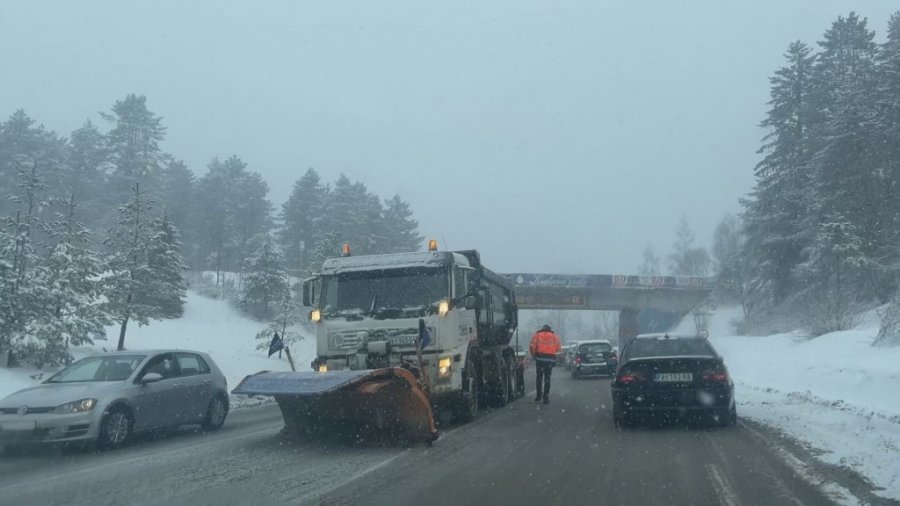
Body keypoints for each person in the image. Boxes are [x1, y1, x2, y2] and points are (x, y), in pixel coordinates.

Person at [529, 324, 562, 404]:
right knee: (547, 378)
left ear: (542, 329)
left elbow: (532, 346)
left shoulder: (537, 335)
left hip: (540, 359)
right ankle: (546, 398)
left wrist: (534, 355)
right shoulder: (554, 336)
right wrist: (552, 353)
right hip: (550, 360)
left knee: (539, 378)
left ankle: (538, 396)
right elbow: (558, 348)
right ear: (549, 329)